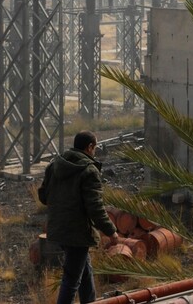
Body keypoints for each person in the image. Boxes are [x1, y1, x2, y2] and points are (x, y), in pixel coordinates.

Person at [38, 130, 118, 304]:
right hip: (77, 232)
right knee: (71, 280)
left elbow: (43, 197)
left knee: (85, 270)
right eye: (95, 147)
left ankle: (89, 301)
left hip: (58, 229)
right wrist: (111, 231)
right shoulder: (89, 171)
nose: (95, 151)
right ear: (89, 147)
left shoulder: (54, 166)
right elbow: (95, 207)